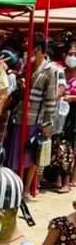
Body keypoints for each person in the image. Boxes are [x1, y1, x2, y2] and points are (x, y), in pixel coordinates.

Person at [8, 34, 58, 198]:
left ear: (37, 49)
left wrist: (47, 123)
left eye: (28, 47)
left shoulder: (50, 70)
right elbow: (20, 94)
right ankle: (17, 187)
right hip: (19, 116)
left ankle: (26, 189)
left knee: (32, 156)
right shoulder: (26, 67)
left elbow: (51, 98)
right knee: (17, 155)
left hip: (35, 119)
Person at [49, 40, 76, 193]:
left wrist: (72, 98)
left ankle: (67, 180)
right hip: (58, 114)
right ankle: (56, 179)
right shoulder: (60, 71)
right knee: (56, 144)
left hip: (73, 116)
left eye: (75, 55)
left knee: (68, 147)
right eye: (70, 54)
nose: (72, 57)